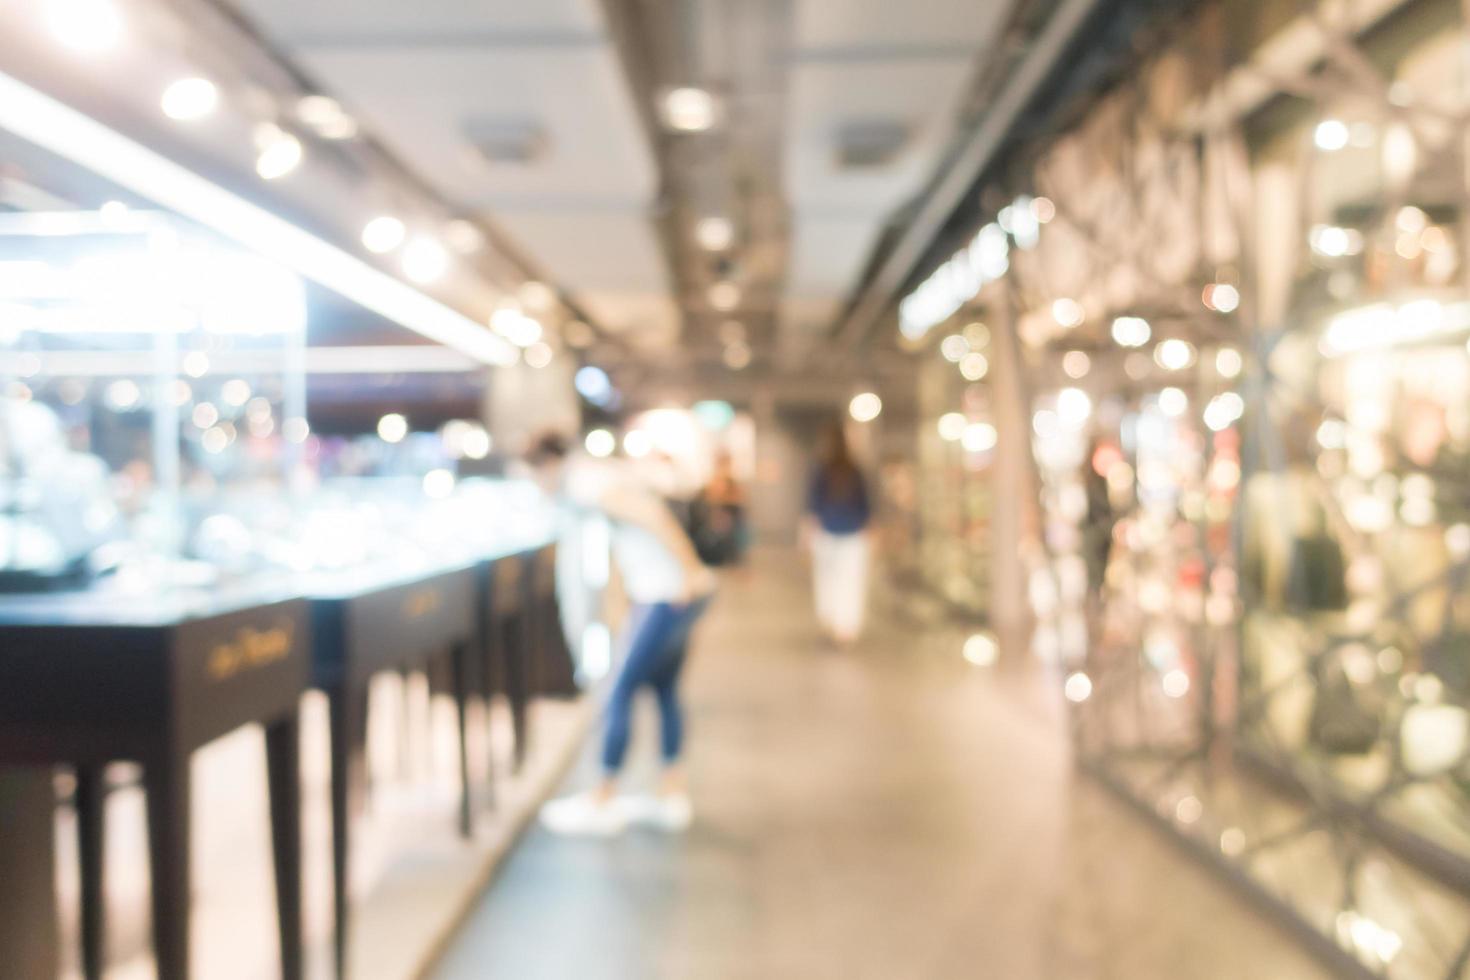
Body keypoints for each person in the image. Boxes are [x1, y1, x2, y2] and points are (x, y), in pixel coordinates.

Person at [523, 431, 716, 836]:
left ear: (547, 465)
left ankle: (603, 796)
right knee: (664, 688)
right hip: (669, 594)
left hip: (666, 595)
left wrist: (688, 570)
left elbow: (651, 516)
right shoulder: (595, 477)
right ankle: (671, 793)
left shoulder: (584, 482)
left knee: (619, 691)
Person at [804, 423, 872, 646]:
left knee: (828, 580)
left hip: (828, 532)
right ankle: (847, 627)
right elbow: (866, 506)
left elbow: (813, 505)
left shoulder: (822, 470)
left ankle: (831, 619)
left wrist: (808, 534)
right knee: (851, 581)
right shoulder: (855, 470)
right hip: (853, 534)